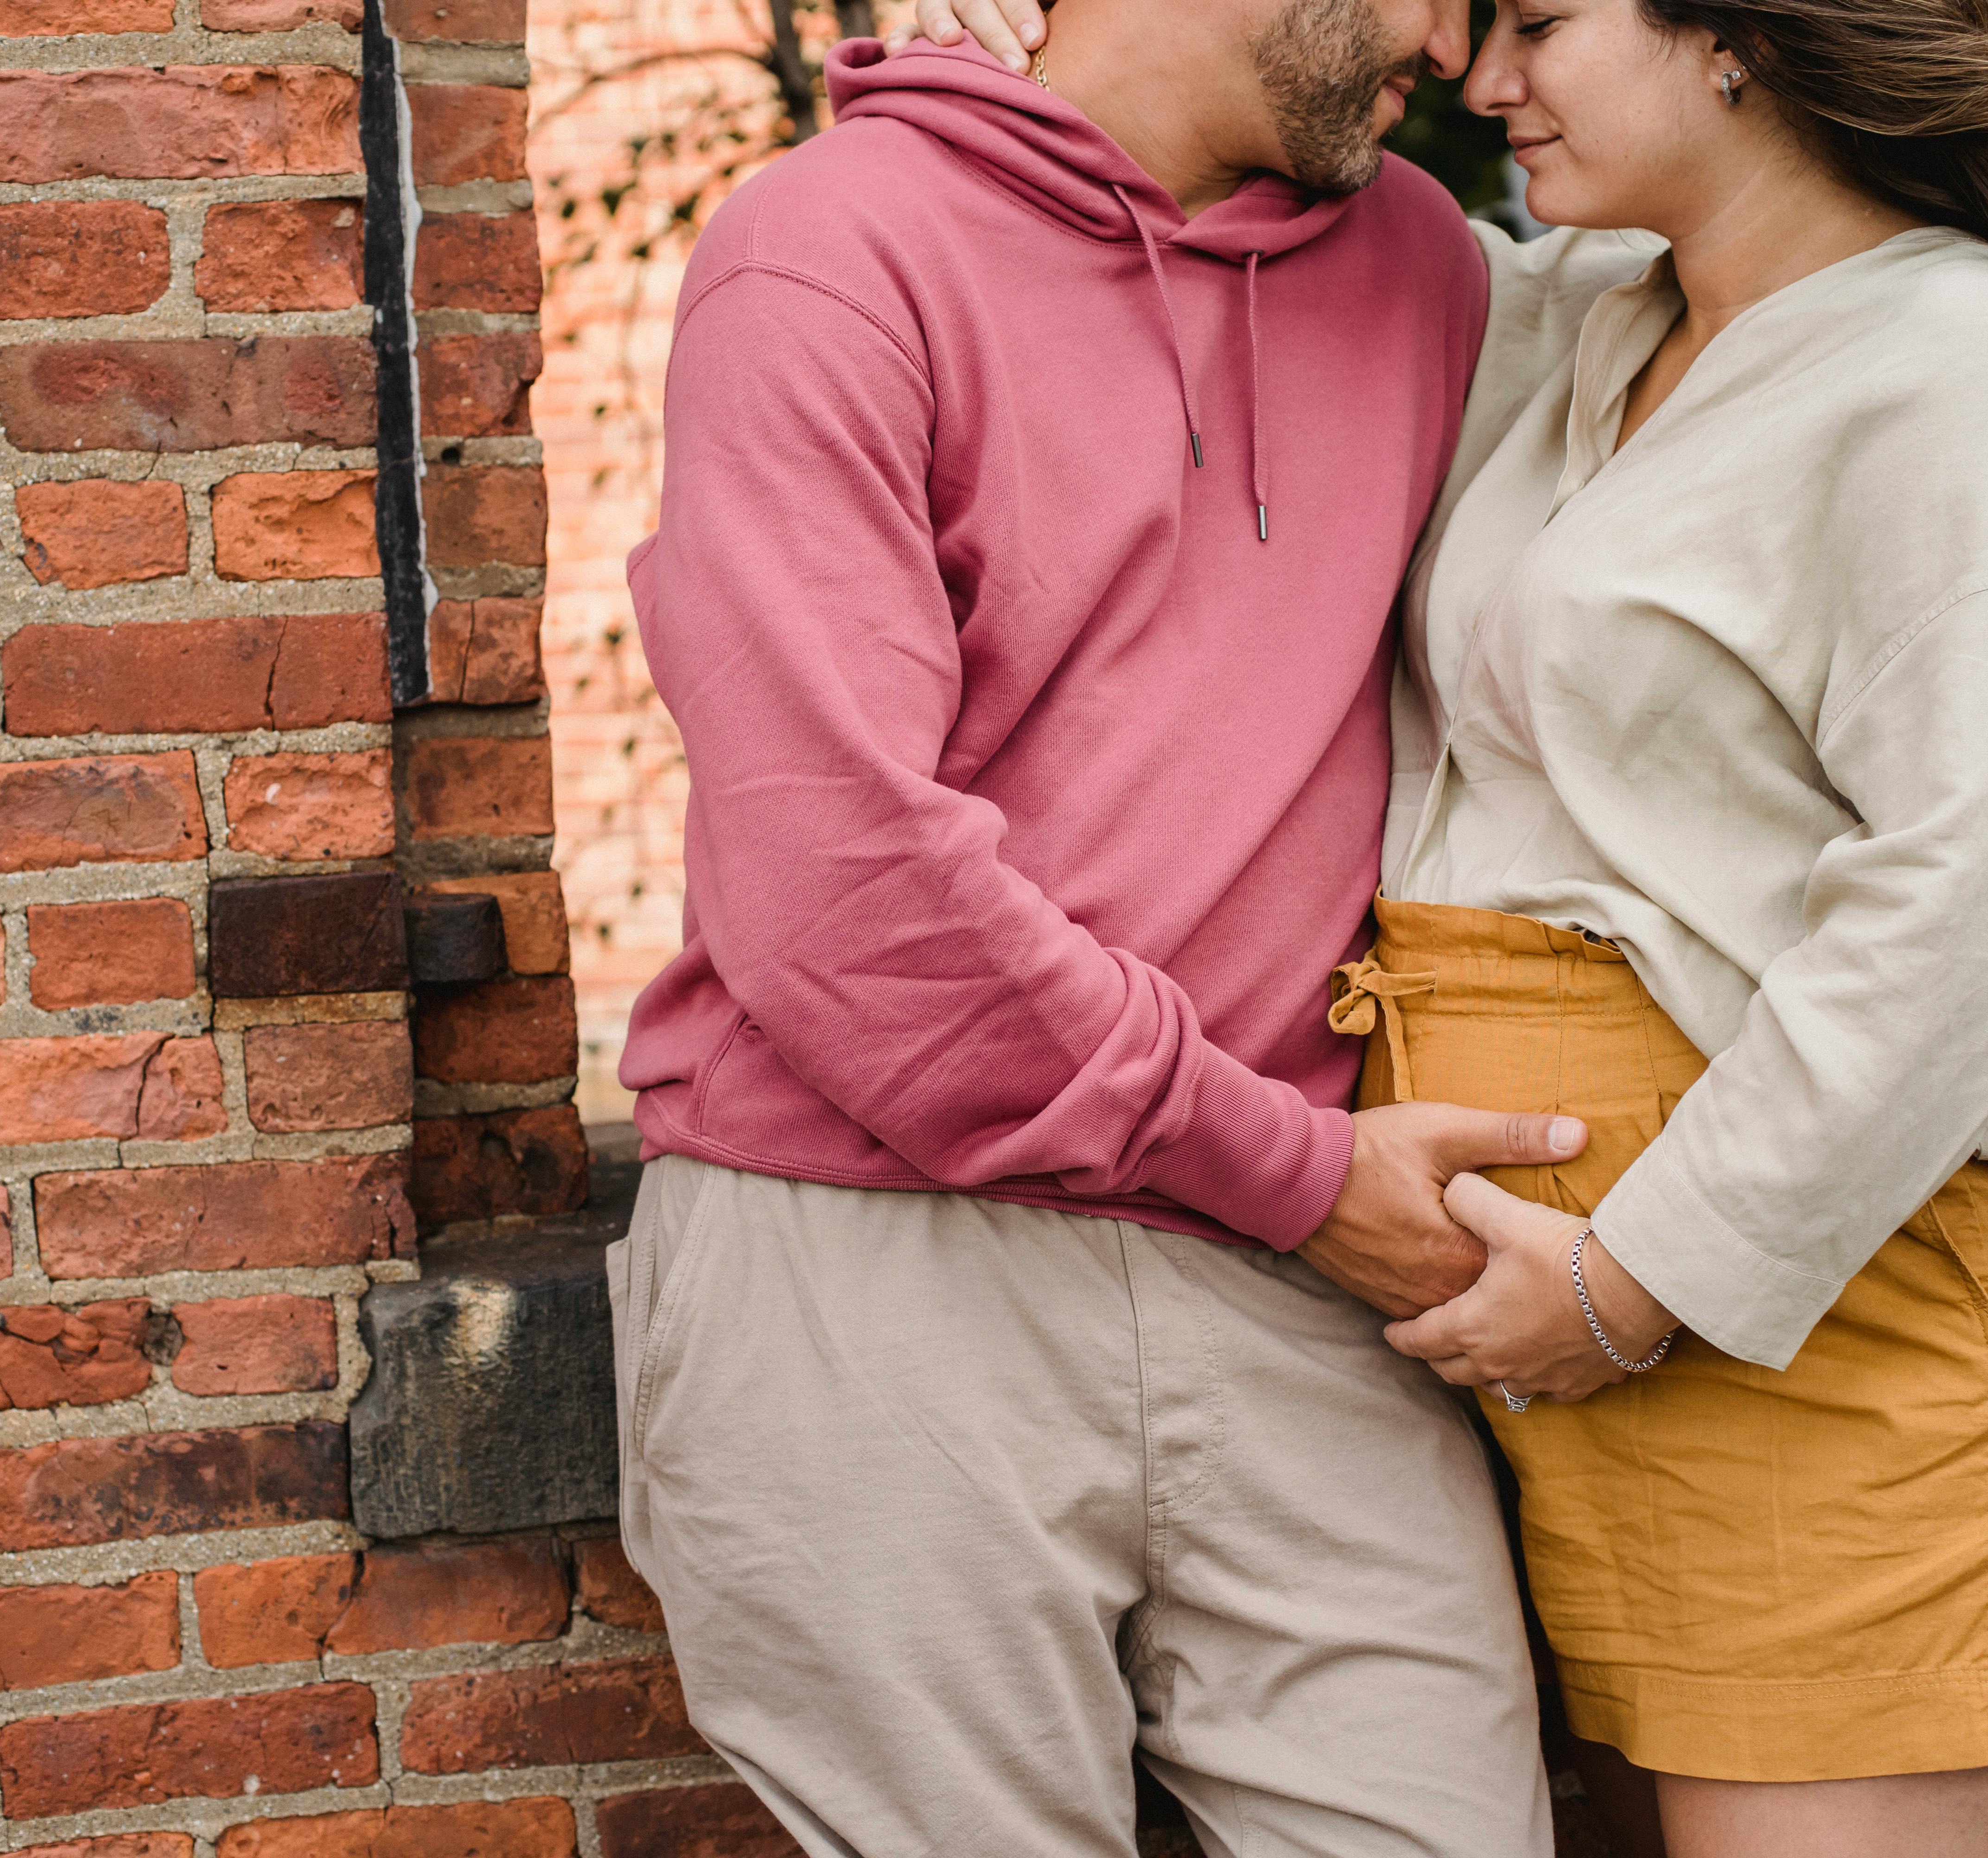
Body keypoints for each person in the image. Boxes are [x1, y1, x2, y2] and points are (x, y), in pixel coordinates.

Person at [893, 0, 1988, 1852]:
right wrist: (1046, 80)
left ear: (1738, 38)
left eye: (1539, 22)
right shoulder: (1576, 317)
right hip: (1594, 1350)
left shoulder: (1965, 360)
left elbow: (1973, 906)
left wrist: (1635, 1280)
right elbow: (1252, 246)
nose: (1480, 76)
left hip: (1875, 1319)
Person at [608, 0, 1593, 1848]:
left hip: (1301, 1280)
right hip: (878, 1262)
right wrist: (1297, 1172)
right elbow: (841, 890)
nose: (1463, 52)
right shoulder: (832, 250)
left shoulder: (1429, 269)